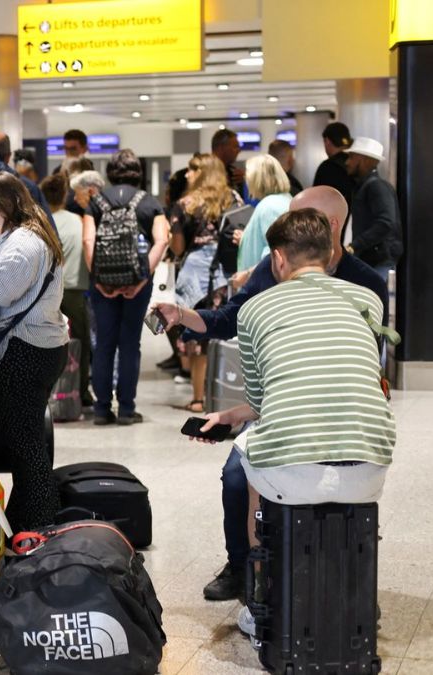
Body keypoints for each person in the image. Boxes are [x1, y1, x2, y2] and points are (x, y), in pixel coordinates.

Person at [151, 186, 389, 602]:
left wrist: (235, 416)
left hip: (319, 420)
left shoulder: (361, 283)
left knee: (258, 468)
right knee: (234, 476)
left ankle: (263, 588)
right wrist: (182, 315)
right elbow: (229, 319)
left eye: (300, 217)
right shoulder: (299, 279)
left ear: (329, 226)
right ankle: (243, 565)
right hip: (360, 443)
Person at [0, 174, 69, 531]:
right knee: (27, 445)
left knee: (26, 449)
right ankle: (28, 523)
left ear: (6, 205)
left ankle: (40, 527)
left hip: (25, 352)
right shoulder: (29, 235)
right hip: (38, 348)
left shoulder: (25, 241)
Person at [82, 149, 170, 425]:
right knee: (130, 342)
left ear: (110, 172)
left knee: (105, 344)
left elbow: (88, 242)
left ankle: (101, 409)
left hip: (102, 284)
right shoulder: (149, 203)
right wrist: (142, 277)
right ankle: (127, 409)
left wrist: (99, 279)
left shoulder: (96, 202)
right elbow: (162, 241)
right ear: (138, 172)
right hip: (137, 283)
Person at [170, 154, 242, 413]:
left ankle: (199, 398)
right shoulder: (233, 199)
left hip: (194, 274)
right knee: (224, 332)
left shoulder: (184, 204)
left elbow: (178, 248)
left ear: (203, 172)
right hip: (226, 272)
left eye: (193, 169)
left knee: (197, 333)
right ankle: (224, 393)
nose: (187, 174)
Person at [41, 173, 93, 410]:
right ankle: (79, 391)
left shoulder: (41, 220)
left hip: (45, 291)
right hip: (74, 290)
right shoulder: (78, 221)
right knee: (79, 344)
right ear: (64, 195)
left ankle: (47, 392)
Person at [345, 137, 402, 281]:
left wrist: (355, 245)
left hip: (377, 259)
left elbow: (386, 222)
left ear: (364, 160)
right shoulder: (365, 187)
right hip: (371, 258)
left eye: (352, 157)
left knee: (373, 301)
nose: (347, 162)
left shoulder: (376, 187)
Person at [235, 154, 293, 274]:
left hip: (262, 285)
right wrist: (247, 239)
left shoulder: (269, 206)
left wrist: (245, 276)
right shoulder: (285, 199)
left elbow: (273, 254)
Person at [313, 121, 354, 207]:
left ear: (327, 141)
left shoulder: (327, 167)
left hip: (335, 217)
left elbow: (317, 199)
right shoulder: (357, 164)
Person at [210, 128, 247, 198]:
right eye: (235, 147)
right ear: (222, 148)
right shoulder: (199, 173)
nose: (239, 151)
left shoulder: (234, 175)